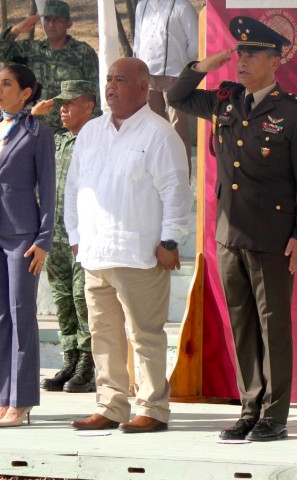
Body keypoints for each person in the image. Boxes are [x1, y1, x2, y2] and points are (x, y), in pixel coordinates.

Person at [167, 16, 297, 442]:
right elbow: (178, 96)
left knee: (274, 327)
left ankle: (275, 414)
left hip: (273, 238)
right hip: (229, 236)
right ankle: (250, 408)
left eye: (253, 54)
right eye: (241, 53)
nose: (244, 60)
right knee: (243, 326)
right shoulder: (225, 101)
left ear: (275, 62)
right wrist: (205, 64)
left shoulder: (294, 113)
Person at [65, 57, 192, 433]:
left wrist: (170, 240)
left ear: (142, 88)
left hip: (140, 254)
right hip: (95, 253)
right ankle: (111, 404)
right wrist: (75, 237)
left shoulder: (159, 134)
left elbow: (177, 192)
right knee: (103, 335)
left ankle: (152, 408)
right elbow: (74, 188)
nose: (111, 86)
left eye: (120, 80)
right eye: (108, 79)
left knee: (144, 335)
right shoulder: (90, 132)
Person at [33, 81, 98, 393]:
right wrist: (35, 112)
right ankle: (70, 359)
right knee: (61, 300)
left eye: (70, 103)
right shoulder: (56, 140)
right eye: (60, 103)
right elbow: (17, 134)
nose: (63, 108)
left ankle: (89, 363)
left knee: (82, 298)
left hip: (83, 235)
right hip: (54, 236)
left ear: (89, 106)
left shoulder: (97, 140)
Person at [0, 63, 55, 427]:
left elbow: (48, 190)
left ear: (25, 93)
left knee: (22, 316)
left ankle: (21, 401)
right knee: (0, 317)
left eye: (5, 84)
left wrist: (43, 239)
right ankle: (3, 397)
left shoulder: (38, 133)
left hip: (22, 236)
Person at [134, 0, 199, 171]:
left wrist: (183, 68)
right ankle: (156, 169)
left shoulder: (183, 6)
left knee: (178, 125)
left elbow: (195, 44)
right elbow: (139, 41)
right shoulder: (142, 7)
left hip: (174, 76)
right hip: (148, 76)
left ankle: (182, 171)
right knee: (152, 124)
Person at [0, 0, 99, 131]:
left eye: (57, 20)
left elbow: (94, 92)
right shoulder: (33, 49)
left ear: (68, 23)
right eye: (47, 20)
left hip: (68, 131)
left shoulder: (83, 52)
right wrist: (16, 30)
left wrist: (92, 127)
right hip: (34, 127)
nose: (51, 25)